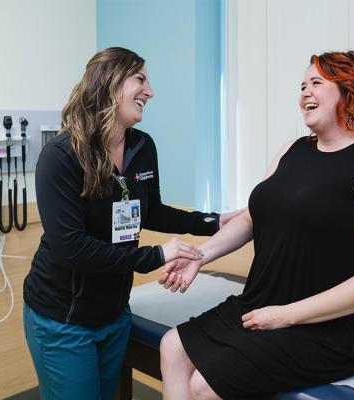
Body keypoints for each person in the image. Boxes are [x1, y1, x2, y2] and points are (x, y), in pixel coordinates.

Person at [159, 50, 354, 400]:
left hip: (335, 327)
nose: (304, 92)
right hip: (265, 302)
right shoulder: (292, 150)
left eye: (316, 83)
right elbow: (253, 217)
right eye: (302, 85)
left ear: (350, 91)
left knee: (203, 386)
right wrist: (199, 255)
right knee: (172, 346)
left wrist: (287, 316)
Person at [23, 47, 241, 400]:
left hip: (114, 313)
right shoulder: (62, 156)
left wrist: (213, 221)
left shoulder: (141, 146)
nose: (150, 91)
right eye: (140, 79)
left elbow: (152, 211)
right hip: (63, 320)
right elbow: (71, 248)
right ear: (108, 83)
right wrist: (156, 256)